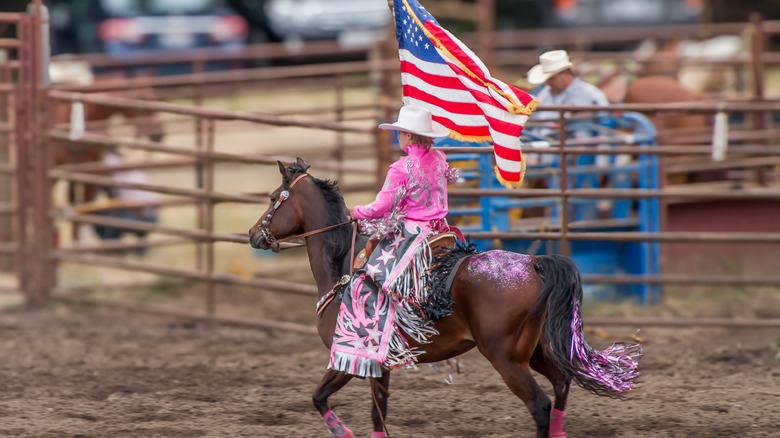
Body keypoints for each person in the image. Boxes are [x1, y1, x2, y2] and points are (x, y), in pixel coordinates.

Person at [329, 105, 459, 379]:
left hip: (413, 234)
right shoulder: (439, 157)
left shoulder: (401, 168)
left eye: (400, 133)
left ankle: (384, 336)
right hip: (441, 230)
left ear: (410, 137)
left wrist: (357, 212)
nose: (397, 137)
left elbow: (381, 206)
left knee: (371, 278)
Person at [527, 49, 610, 122]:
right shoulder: (545, 93)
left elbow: (582, 129)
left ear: (565, 74)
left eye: (552, 79)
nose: (548, 83)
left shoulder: (585, 94)